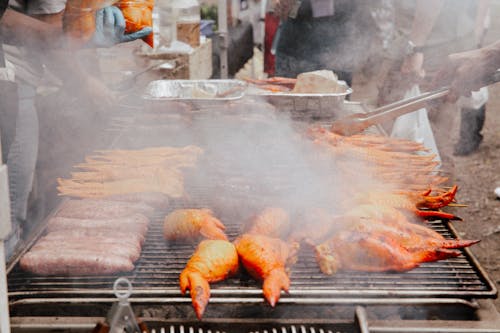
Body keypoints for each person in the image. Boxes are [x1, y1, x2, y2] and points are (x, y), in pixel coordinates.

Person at [0, 0, 151, 259]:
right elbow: (36, 34)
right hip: (12, 85)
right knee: (8, 220)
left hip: (18, 83)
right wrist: (84, 80)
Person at [271, 0, 387, 87]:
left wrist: (379, 42)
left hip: (339, 45)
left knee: (333, 110)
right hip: (295, 43)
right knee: (286, 105)